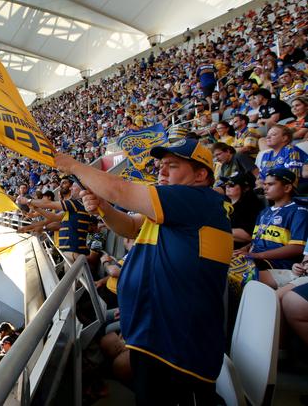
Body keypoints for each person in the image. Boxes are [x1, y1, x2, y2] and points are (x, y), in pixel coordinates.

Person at [55, 138, 232, 406]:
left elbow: (118, 188)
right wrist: (103, 208)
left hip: (178, 342)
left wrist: (73, 165)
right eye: (161, 165)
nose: (161, 171)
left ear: (201, 175)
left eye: (172, 166)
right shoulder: (174, 209)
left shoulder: (198, 199)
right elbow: (129, 227)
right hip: (153, 331)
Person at [237, 168, 308, 288]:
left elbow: (297, 247)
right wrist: (243, 250)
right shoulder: (264, 212)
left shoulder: (299, 211)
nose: (265, 188)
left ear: (287, 188)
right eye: (264, 184)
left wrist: (257, 256)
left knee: (236, 273)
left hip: (278, 264)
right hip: (257, 260)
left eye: (270, 184)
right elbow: (256, 241)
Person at [221, 172, 263, 248]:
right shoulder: (223, 202)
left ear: (246, 188)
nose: (227, 187)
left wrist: (216, 227)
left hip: (236, 251)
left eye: (231, 185)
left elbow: (247, 236)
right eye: (226, 184)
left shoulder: (251, 206)